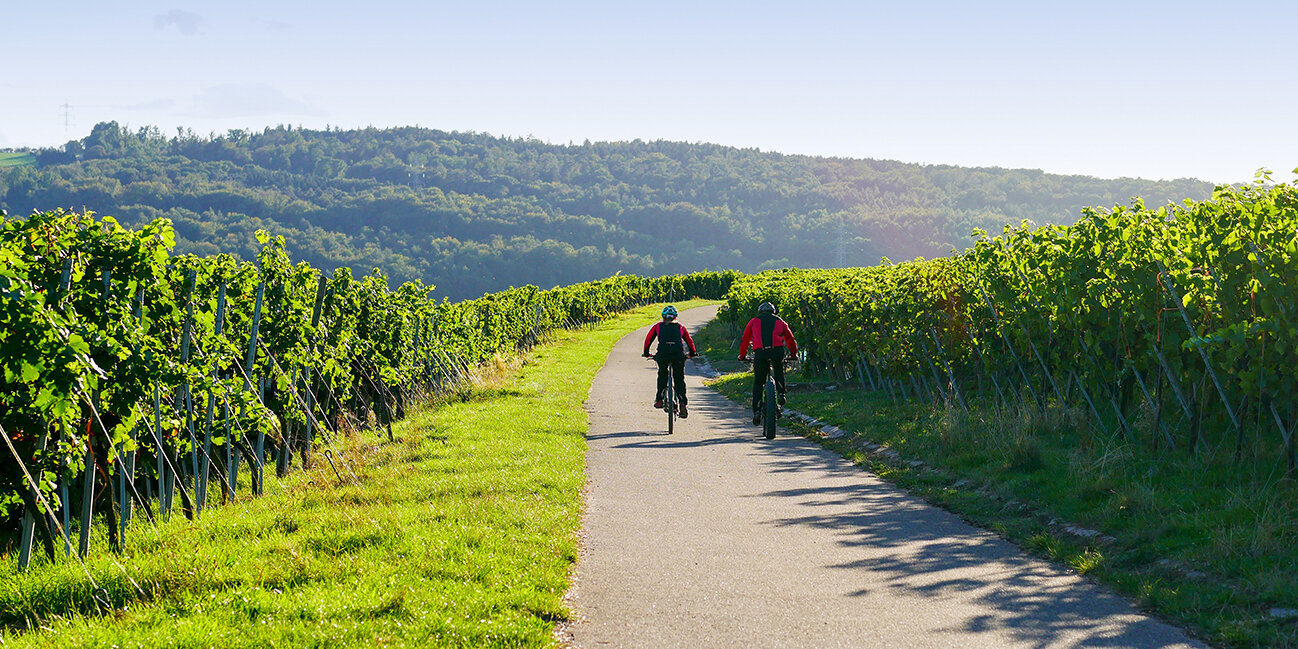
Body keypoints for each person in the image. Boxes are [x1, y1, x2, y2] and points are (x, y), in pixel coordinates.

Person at [737, 302, 798, 425]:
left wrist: (742, 356)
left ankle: (757, 411)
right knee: (779, 369)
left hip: (760, 353)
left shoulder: (753, 321)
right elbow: (790, 339)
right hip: (777, 351)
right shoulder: (780, 321)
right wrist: (793, 354)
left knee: (758, 382)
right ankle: (781, 393)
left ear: (760, 312)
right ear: (773, 311)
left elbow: (745, 340)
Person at [642, 305, 697, 418]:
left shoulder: (658, 326)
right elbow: (689, 342)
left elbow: (648, 340)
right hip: (678, 356)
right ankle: (682, 402)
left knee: (662, 374)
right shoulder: (681, 327)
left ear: (663, 317)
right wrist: (692, 353)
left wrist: (647, 353)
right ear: (675, 317)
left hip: (663, 355)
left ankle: (660, 399)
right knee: (679, 379)